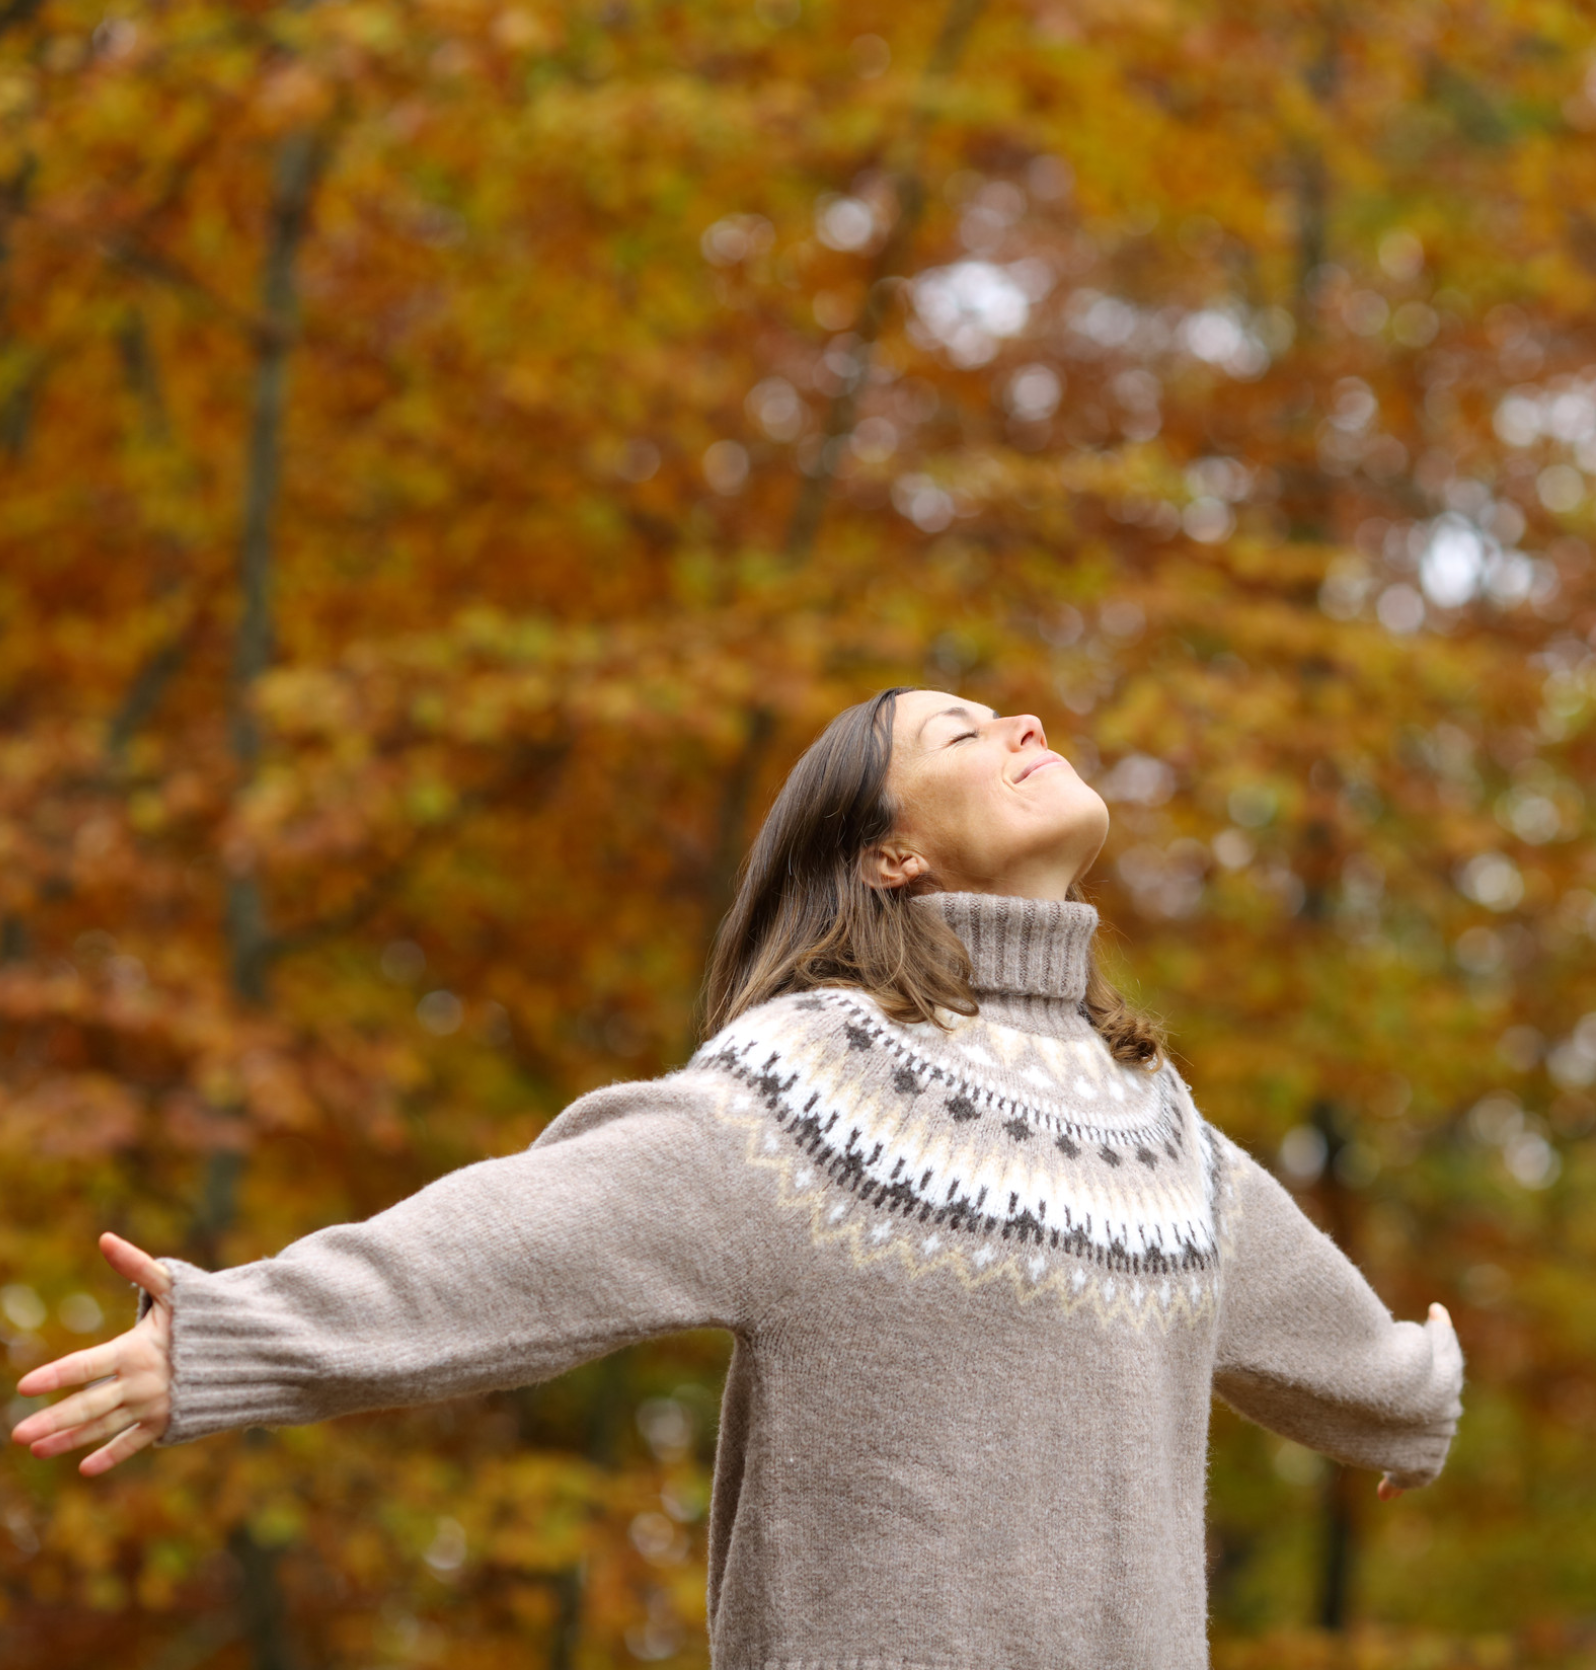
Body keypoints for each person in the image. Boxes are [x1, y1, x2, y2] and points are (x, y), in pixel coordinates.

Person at [11, 687, 1464, 1670]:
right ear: (889, 850)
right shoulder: (815, 1089)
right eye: (963, 731)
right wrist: (225, 1336)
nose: (1027, 720)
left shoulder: (1169, 1136)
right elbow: (518, 1234)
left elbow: (1352, 1353)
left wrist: (1411, 1396)